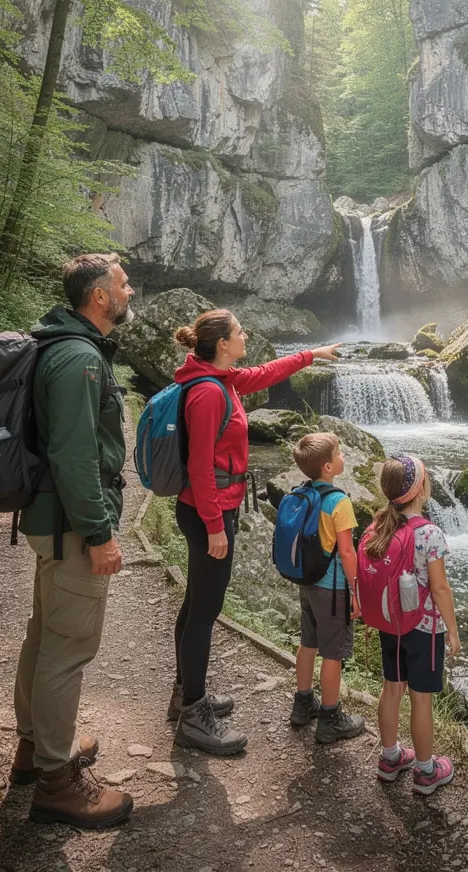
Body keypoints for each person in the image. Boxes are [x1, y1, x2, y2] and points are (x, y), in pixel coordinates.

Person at [171, 310, 342, 755]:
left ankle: (186, 693)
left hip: (210, 509)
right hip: (207, 512)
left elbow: (266, 373)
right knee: (204, 610)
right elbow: (200, 467)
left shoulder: (222, 379)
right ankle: (193, 714)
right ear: (223, 344)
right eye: (240, 332)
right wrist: (215, 527)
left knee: (196, 602)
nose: (246, 335)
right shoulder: (208, 393)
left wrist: (310, 355)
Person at [12, 253, 134, 830]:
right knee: (68, 649)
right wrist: (99, 533)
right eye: (123, 284)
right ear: (100, 297)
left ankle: (34, 748)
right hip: (70, 526)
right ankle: (56, 784)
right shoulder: (80, 358)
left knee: (45, 636)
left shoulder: (61, 345)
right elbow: (74, 454)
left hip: (52, 521)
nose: (130, 292)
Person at [363, 455, 461, 796]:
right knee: (421, 699)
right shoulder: (429, 533)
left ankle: (390, 758)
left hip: (389, 622)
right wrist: (453, 630)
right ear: (420, 489)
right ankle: (425, 770)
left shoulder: (378, 526)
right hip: (424, 628)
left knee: (392, 688)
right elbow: (440, 588)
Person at [288, 432, 366, 744]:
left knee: (308, 643)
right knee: (333, 653)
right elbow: (347, 552)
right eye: (339, 453)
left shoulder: (303, 491)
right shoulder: (339, 502)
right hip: (333, 589)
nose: (343, 456)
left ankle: (303, 704)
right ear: (328, 467)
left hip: (307, 583)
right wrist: (356, 591)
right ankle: (330, 718)